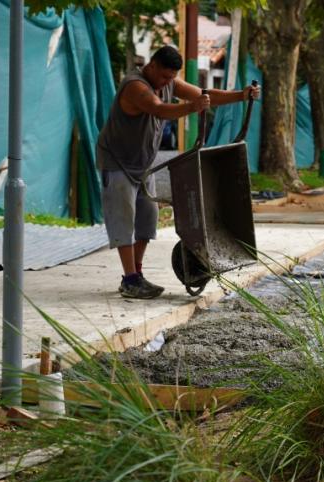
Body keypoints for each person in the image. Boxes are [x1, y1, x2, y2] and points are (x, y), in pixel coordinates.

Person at [96, 46, 259, 299]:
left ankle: (135, 274)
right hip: (117, 162)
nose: (167, 82)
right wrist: (193, 107)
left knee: (147, 218)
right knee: (123, 219)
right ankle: (130, 279)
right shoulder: (135, 86)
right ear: (151, 66)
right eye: (164, 76)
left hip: (143, 164)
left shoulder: (169, 82)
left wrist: (241, 94)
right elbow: (159, 109)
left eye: (172, 77)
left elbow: (205, 95)